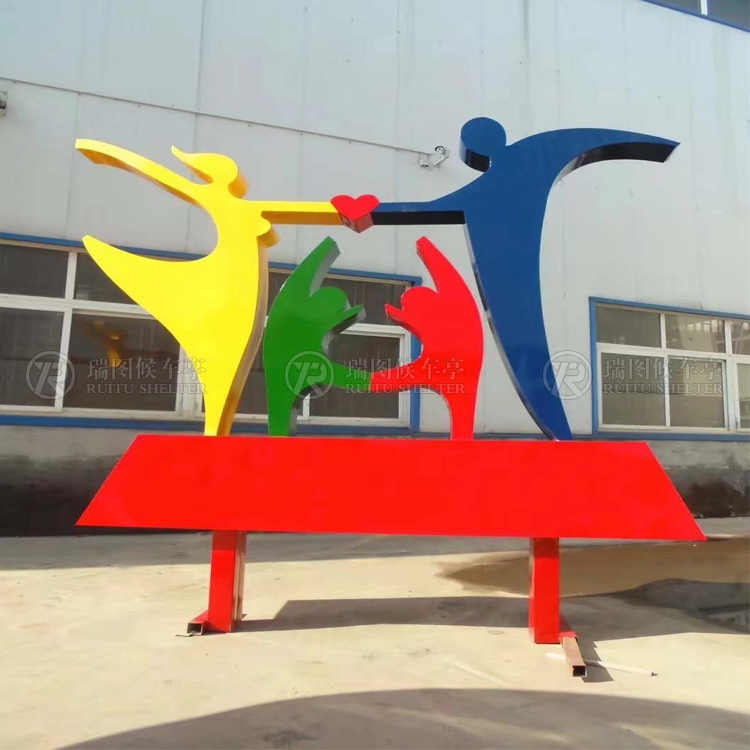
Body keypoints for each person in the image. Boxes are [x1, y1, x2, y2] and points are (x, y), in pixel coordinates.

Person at [372, 117, 678, 440]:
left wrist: (371, 213)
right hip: (507, 269)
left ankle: (559, 432)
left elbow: (431, 209)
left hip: (504, 269)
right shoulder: (535, 153)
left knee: (519, 335)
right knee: (522, 335)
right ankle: (560, 433)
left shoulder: (496, 183)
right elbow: (591, 139)